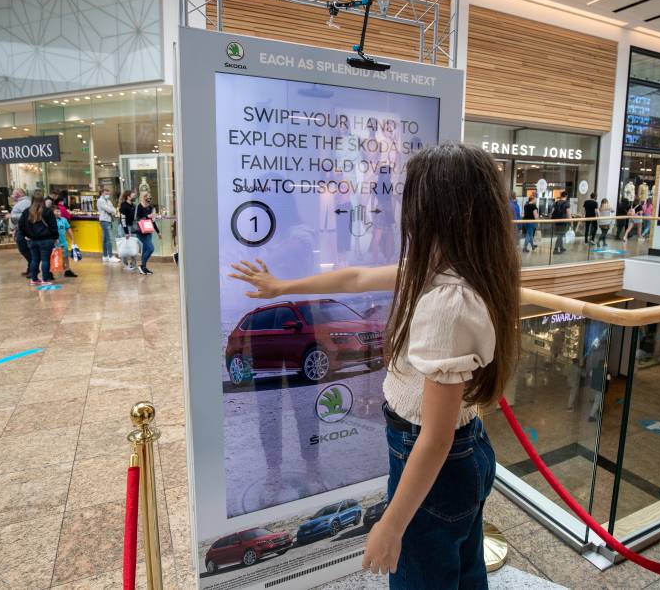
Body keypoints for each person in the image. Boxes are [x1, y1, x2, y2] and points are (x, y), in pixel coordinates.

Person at [229, 144, 519, 589]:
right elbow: (356, 278)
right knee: (463, 573)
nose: (401, 211)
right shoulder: (455, 271)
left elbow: (435, 437)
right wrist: (281, 286)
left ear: (437, 211)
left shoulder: (447, 303)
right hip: (463, 453)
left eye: (411, 200)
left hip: (435, 462)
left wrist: (391, 525)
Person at [18, 191, 58, 284]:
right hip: (46, 240)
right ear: (42, 199)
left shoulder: (26, 211)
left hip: (32, 240)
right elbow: (53, 226)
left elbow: (20, 226)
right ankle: (45, 279)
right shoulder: (47, 211)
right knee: (45, 260)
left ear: (32, 199)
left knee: (34, 260)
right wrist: (55, 237)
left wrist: (26, 235)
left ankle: (34, 279)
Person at [135, 191, 159, 275]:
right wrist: (147, 216)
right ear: (143, 197)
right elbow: (137, 218)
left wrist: (158, 232)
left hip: (149, 230)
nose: (149, 199)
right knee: (150, 248)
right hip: (141, 231)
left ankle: (144, 267)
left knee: (145, 249)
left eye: (150, 197)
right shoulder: (139, 206)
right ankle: (142, 266)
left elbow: (153, 221)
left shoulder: (150, 207)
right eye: (147, 197)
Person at [9, 188, 32, 277]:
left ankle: (33, 269)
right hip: (20, 229)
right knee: (24, 249)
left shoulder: (25, 202)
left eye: (14, 193)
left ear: (19, 194)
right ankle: (30, 269)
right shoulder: (22, 202)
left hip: (24, 230)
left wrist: (11, 216)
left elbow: (26, 216)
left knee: (24, 249)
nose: (12, 195)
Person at [54, 206, 78, 278]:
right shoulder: (50, 221)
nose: (59, 213)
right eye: (57, 211)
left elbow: (68, 229)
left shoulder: (63, 220)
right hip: (54, 243)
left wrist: (73, 239)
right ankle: (50, 272)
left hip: (63, 242)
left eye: (59, 211)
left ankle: (67, 271)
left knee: (65, 256)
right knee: (56, 257)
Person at [97, 187, 119, 263]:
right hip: (104, 220)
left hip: (108, 220)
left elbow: (113, 209)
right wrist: (113, 210)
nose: (108, 195)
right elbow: (110, 209)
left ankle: (105, 255)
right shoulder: (100, 201)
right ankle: (110, 256)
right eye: (106, 193)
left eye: (108, 194)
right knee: (109, 239)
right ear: (102, 193)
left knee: (105, 239)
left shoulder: (108, 201)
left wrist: (113, 210)